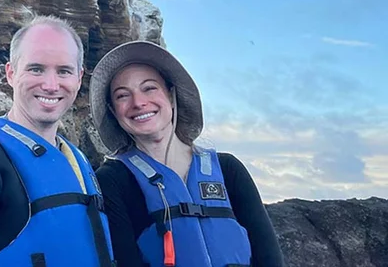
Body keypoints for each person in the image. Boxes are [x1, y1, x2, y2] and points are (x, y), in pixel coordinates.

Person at [0, 15, 116, 267]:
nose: (51, 85)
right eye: (36, 69)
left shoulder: (76, 158)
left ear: (79, 78)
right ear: (10, 73)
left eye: (64, 71)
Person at [89, 40, 284, 267]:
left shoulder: (229, 169)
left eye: (149, 88)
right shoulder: (112, 180)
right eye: (123, 95)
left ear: (171, 95)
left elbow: (269, 257)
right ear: (113, 110)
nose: (139, 102)